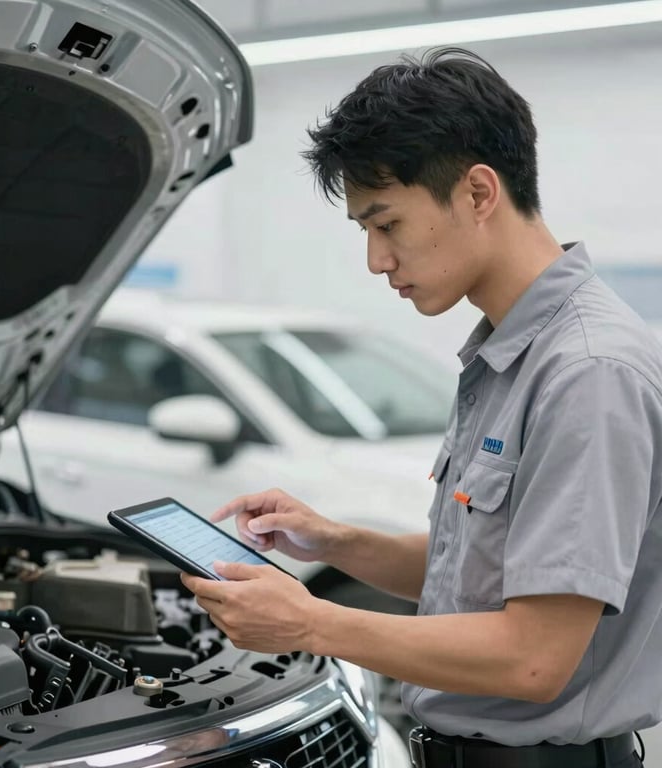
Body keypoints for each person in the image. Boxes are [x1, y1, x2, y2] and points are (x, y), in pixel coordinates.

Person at [180, 47, 662, 768]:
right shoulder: (507, 356)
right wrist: (337, 542)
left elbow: (534, 657)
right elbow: (484, 578)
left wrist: (310, 623)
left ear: (476, 193)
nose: (377, 260)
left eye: (388, 224)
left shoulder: (587, 372)